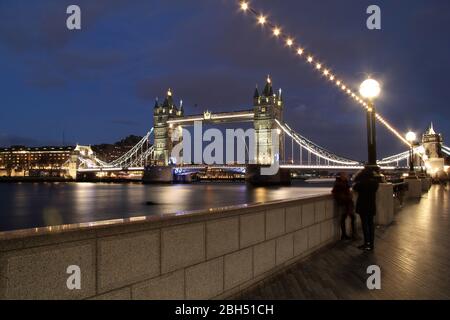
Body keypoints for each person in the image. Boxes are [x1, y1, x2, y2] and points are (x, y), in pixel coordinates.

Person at [352, 168, 380, 251]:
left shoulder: (362, 183)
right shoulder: (375, 183)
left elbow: (354, 186)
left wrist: (358, 175)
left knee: (365, 225)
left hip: (363, 206)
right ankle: (371, 244)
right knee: (371, 225)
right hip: (371, 206)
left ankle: (366, 243)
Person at [332, 172, 356, 240]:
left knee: (351, 218)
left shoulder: (344, 182)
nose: (347, 176)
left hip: (347, 203)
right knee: (345, 218)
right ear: (342, 176)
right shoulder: (338, 184)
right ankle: (345, 235)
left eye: (347, 175)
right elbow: (336, 193)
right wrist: (347, 197)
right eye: (345, 175)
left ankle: (347, 234)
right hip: (344, 203)